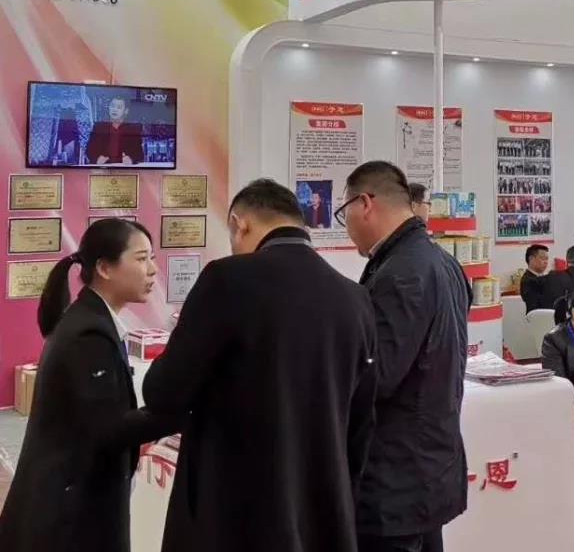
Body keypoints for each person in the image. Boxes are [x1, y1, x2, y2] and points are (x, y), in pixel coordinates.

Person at [142, 179, 378, 552]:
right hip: (319, 511)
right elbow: (362, 421)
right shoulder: (356, 298)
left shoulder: (226, 279)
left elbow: (164, 392)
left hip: (233, 512)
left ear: (241, 224)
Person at [0, 219, 167, 552]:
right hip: (66, 517)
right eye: (141, 258)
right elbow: (110, 429)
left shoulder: (93, 321)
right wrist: (183, 411)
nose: (152, 269)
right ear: (104, 268)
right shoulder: (88, 335)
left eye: (152, 258)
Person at [341, 161, 470, 552]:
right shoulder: (440, 261)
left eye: (344, 212)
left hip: (395, 478)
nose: (345, 226)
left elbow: (376, 377)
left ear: (365, 204)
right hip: (427, 468)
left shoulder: (400, 273)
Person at [86, 95, 144, 165]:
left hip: (124, 168)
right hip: (103, 167)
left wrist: (131, 159)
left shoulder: (132, 130)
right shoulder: (99, 127)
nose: (114, 110)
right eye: (112, 106)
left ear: (126, 111)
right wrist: (97, 159)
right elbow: (89, 151)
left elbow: (139, 155)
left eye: (119, 107)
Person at [520, 244, 552, 313]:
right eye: (542, 258)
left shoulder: (543, 278)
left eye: (547, 259)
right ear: (531, 259)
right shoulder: (527, 280)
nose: (546, 262)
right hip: (537, 317)